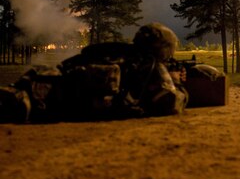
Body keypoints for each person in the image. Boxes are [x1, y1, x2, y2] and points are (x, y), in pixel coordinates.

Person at [0, 22, 189, 122]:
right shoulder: (151, 65)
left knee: (23, 99)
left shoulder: (114, 51)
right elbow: (170, 104)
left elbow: (65, 67)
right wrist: (177, 83)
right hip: (81, 109)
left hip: (56, 98)